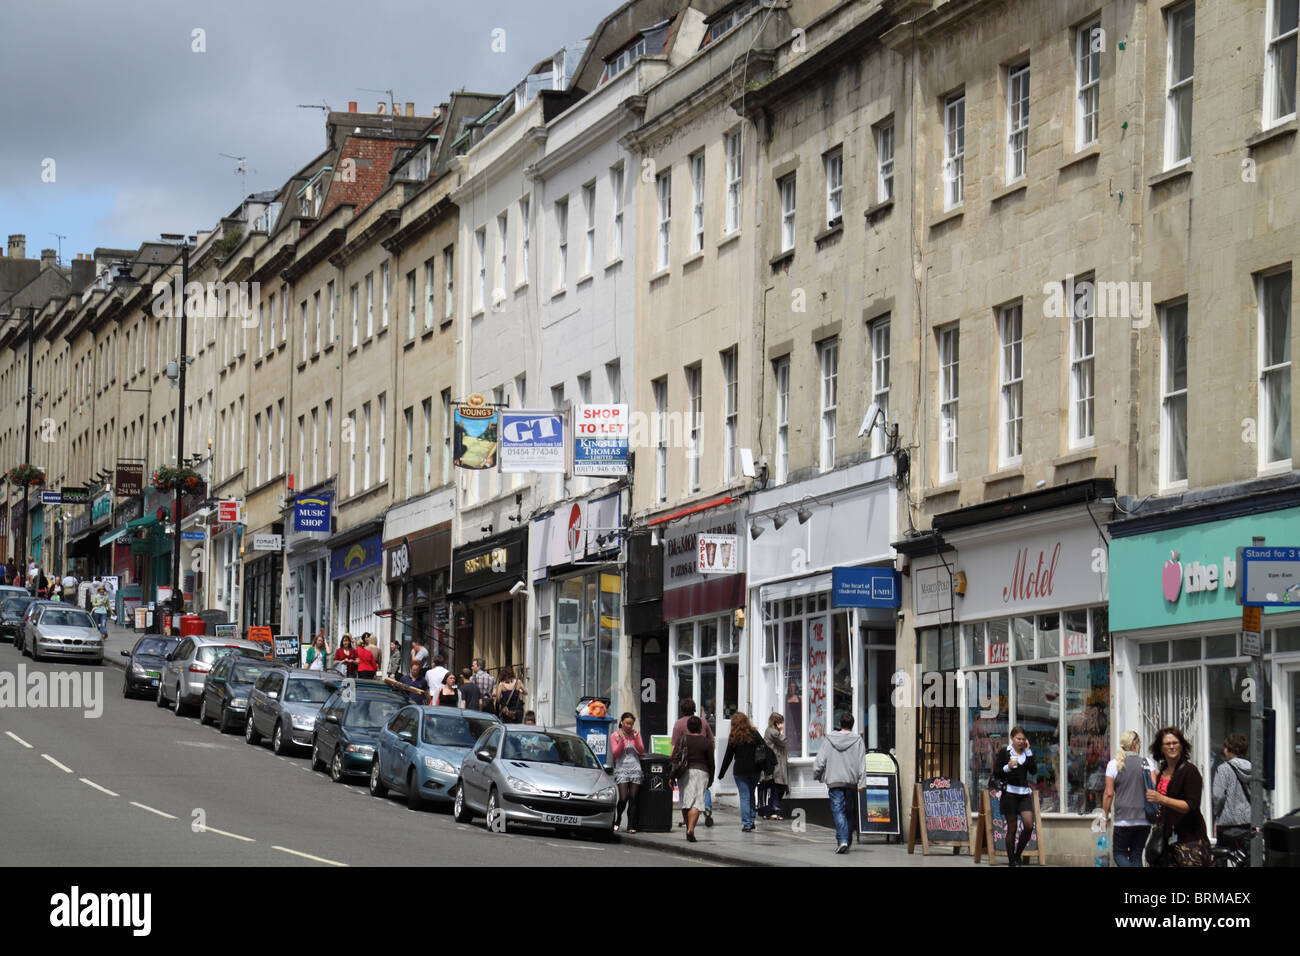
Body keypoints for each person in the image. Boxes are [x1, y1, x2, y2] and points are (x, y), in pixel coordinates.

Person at [1148, 726, 1211, 867]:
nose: (1171, 747)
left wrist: (1162, 799)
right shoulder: (1162, 772)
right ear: (1161, 748)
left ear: (1181, 746)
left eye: (1175, 743)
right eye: (1167, 744)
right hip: (1168, 839)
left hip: (1190, 839)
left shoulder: (1190, 771)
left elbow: (1190, 805)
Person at [813, 712, 868, 853]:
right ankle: (845, 840)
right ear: (852, 725)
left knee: (838, 811)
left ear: (840, 724)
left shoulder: (829, 739)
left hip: (834, 780)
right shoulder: (858, 740)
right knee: (849, 812)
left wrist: (817, 774)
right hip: (850, 781)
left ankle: (843, 840)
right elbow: (862, 763)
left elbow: (820, 760)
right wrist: (862, 783)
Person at [1102, 730, 1156, 867]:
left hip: (1123, 819)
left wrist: (1104, 816)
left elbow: (1108, 793)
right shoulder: (1148, 763)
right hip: (1144, 818)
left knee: (1119, 854)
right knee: (1136, 854)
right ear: (1135, 744)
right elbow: (1154, 789)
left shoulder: (1113, 765)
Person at [993, 725, 1037, 867]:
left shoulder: (1026, 753)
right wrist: (1008, 767)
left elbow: (1033, 771)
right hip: (1009, 793)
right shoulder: (1005, 752)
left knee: (1029, 825)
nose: (1021, 741)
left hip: (1023, 793)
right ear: (1012, 738)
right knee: (1012, 828)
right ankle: (1012, 861)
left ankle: (1018, 854)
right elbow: (996, 772)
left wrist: (1029, 751)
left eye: (1023, 739)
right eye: (1018, 738)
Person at [719, 711, 765, 832]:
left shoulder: (734, 736)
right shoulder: (754, 733)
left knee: (744, 796)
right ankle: (752, 818)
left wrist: (721, 773)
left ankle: (747, 823)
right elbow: (764, 747)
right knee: (751, 793)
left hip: (740, 771)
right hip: (755, 769)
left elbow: (728, 756)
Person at [671, 699, 714, 828]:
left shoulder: (679, 724)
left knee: (686, 794)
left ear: (682, 710)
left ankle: (688, 822)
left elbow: (674, 746)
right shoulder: (703, 722)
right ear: (694, 708)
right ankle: (706, 807)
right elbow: (711, 741)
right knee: (702, 790)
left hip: (685, 766)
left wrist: (672, 766)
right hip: (703, 765)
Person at [1211, 733, 1253, 861]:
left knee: (1222, 859)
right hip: (1248, 823)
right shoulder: (1253, 769)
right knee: (1247, 859)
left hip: (1227, 823)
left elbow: (1218, 796)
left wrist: (1216, 815)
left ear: (1227, 749)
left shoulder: (1224, 769)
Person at [610, 713, 645, 833]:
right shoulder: (615, 735)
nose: (629, 726)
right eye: (627, 723)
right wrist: (621, 740)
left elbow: (641, 750)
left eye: (631, 724)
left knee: (633, 797)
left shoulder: (635, 735)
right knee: (623, 797)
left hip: (635, 768)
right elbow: (615, 754)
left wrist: (636, 738)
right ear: (622, 722)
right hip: (621, 768)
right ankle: (618, 818)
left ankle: (631, 825)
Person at [759, 712, 790, 820]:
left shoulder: (768, 731)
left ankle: (769, 811)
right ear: (776, 723)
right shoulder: (774, 733)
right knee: (777, 788)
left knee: (774, 788)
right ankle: (772, 810)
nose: (782, 724)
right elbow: (784, 741)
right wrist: (781, 731)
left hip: (773, 763)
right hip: (777, 764)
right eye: (780, 722)